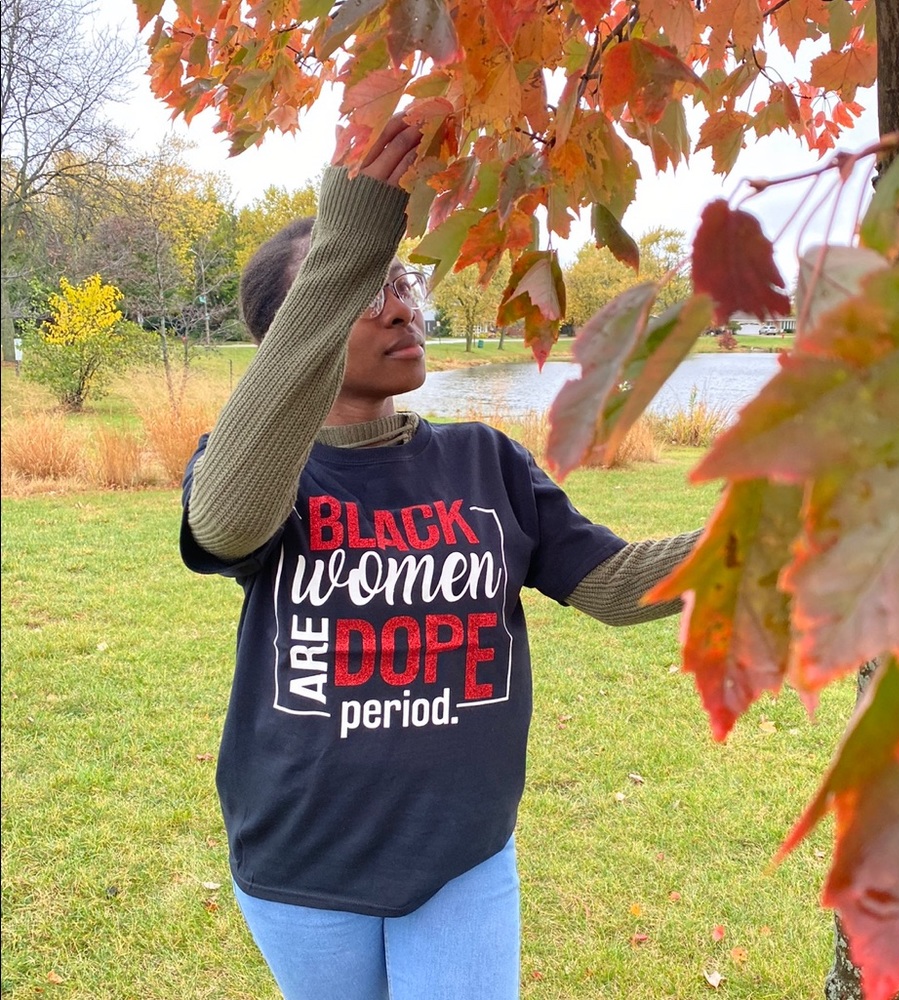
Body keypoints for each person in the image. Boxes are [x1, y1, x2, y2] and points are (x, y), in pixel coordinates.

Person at [180, 116, 701, 1000]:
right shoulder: (265, 471)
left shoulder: (485, 461)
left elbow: (615, 586)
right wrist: (347, 239)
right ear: (296, 333)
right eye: (357, 288)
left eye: (399, 279)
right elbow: (224, 527)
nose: (399, 305)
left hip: (461, 856)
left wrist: (779, 529)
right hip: (302, 861)